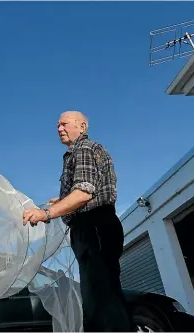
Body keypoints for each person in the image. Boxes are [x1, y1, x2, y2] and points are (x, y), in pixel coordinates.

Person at [22, 111, 134, 332]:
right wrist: (63, 200)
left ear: (82, 126)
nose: (59, 129)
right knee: (104, 294)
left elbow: (84, 192)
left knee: (101, 298)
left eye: (64, 124)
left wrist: (47, 214)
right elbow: (85, 189)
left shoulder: (83, 149)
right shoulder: (81, 152)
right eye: (57, 125)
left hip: (94, 226)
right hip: (93, 226)